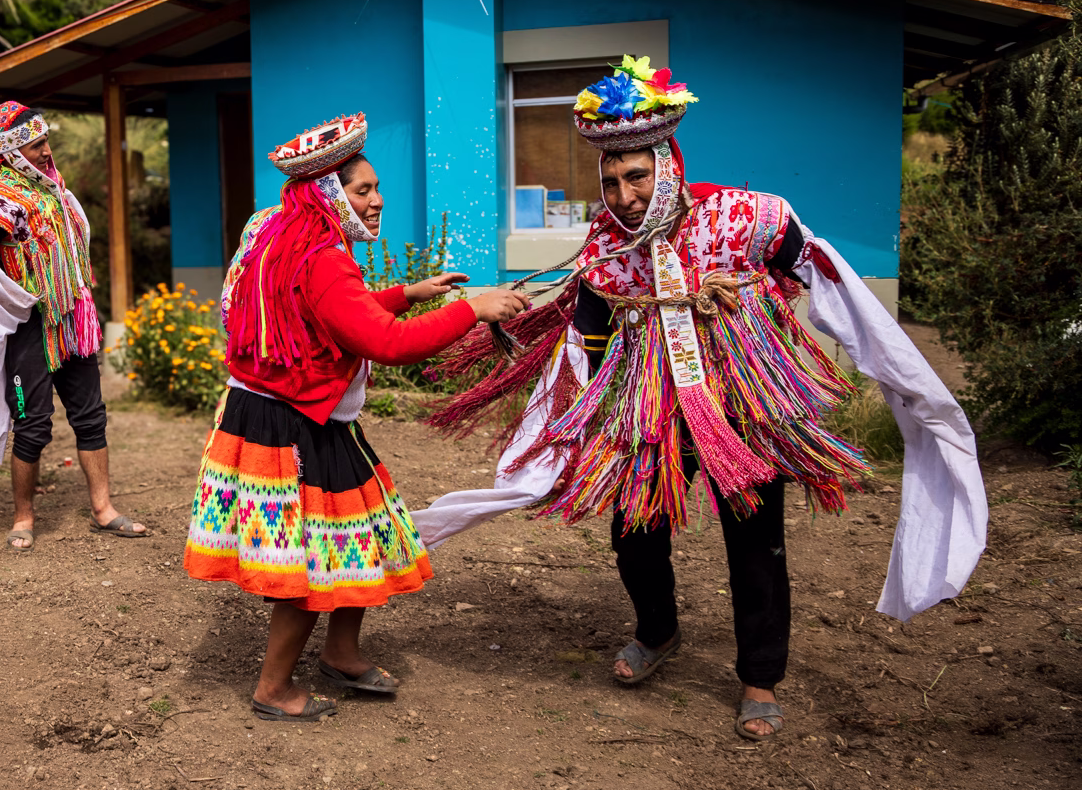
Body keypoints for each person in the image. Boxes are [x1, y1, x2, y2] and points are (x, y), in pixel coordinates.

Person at [415, 57, 987, 740]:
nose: (624, 194)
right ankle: (657, 634)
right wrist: (576, 419)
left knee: (755, 542)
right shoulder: (605, 245)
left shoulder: (748, 217)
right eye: (611, 180)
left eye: (637, 176)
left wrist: (852, 344)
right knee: (633, 531)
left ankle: (759, 677)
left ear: (668, 163)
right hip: (649, 408)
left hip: (741, 405)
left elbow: (818, 271)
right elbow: (589, 329)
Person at [184, 113, 529, 721]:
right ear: (327, 194)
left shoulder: (287, 234)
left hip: (291, 410)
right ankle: (273, 688)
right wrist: (470, 310)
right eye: (361, 190)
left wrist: (408, 294)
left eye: (375, 188)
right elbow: (386, 344)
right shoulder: (322, 257)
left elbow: (330, 313)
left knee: (361, 530)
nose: (377, 201)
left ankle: (341, 651)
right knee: (310, 554)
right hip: (294, 423)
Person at [0, 102, 145, 549]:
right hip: (32, 329)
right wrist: (17, 299)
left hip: (74, 321)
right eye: (37, 145)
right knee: (33, 423)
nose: (46, 151)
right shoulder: (1, 197)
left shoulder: (54, 189)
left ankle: (103, 509)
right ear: (13, 150)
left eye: (45, 142)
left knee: (91, 417)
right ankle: (23, 517)